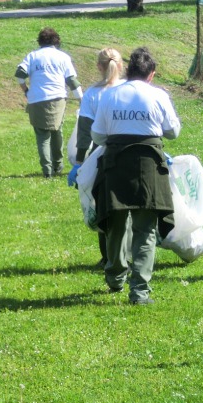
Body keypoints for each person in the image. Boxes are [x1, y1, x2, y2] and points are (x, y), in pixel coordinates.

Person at [91, 47, 181, 304]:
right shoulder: (158, 95)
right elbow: (173, 131)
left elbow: (98, 135)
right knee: (145, 230)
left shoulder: (110, 95)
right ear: (151, 74)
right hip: (149, 166)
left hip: (116, 164)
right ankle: (139, 291)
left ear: (128, 71)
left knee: (116, 225)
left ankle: (115, 277)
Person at [68, 48, 126, 266]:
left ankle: (107, 257)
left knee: (102, 205)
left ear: (99, 67)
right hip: (130, 151)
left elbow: (84, 133)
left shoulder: (92, 94)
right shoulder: (129, 89)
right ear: (121, 65)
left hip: (101, 156)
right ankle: (130, 253)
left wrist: (80, 163)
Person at [15, 27, 81, 177]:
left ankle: (47, 171)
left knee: (42, 136)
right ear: (56, 41)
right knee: (57, 130)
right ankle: (58, 166)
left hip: (36, 99)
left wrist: (26, 90)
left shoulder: (32, 56)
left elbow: (19, 74)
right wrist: (81, 99)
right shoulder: (62, 57)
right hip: (57, 98)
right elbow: (71, 81)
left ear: (40, 41)